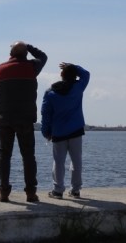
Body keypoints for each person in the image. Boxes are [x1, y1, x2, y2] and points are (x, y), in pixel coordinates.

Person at [0, 40, 48, 203]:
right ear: (26, 54)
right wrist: (28, 47)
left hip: (4, 119)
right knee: (28, 156)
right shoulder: (31, 67)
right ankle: (30, 193)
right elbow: (43, 56)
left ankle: (4, 192)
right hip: (24, 119)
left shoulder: (0, 68)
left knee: (4, 155)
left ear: (11, 54)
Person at [41, 62, 90, 199]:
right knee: (76, 161)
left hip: (58, 132)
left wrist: (46, 132)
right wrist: (74, 66)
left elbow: (46, 114)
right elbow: (86, 74)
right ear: (75, 76)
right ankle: (75, 190)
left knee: (58, 162)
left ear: (61, 75)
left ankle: (58, 190)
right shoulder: (78, 88)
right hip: (76, 130)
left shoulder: (50, 93)